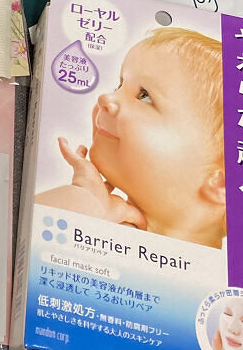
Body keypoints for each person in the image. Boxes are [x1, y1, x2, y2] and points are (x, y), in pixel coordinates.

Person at [36, 26, 225, 249]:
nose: (106, 97)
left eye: (144, 96)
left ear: (223, 183)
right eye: (120, 85)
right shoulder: (100, 221)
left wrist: (79, 204)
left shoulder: (216, 270)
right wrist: (84, 203)